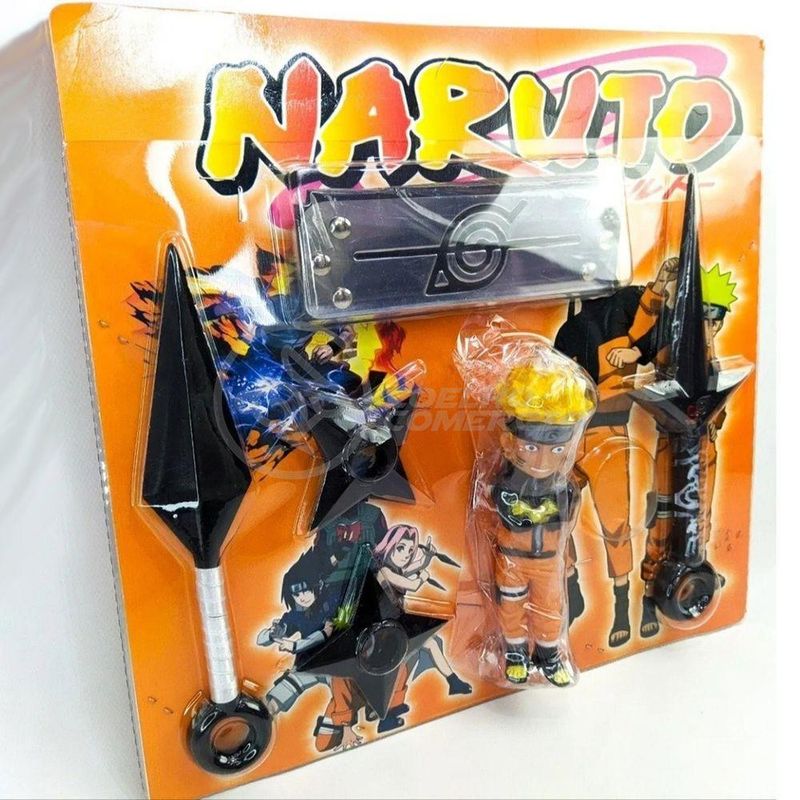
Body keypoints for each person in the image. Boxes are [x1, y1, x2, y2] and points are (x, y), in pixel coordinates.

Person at [489, 359, 596, 686]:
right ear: (510, 441)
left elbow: (564, 524)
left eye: (556, 448)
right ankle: (516, 653)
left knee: (550, 608)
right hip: (513, 560)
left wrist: (565, 554)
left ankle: (550, 656)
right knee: (511, 607)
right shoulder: (507, 486)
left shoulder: (564, 489)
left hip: (548, 562)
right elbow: (513, 518)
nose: (541, 460)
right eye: (531, 447)